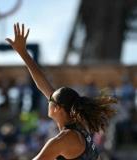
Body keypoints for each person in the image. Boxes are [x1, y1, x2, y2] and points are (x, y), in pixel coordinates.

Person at [6, 23, 117, 160]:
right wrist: (23, 53)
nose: (48, 98)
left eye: (50, 100)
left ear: (57, 108)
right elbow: (42, 83)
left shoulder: (62, 140)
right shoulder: (79, 127)